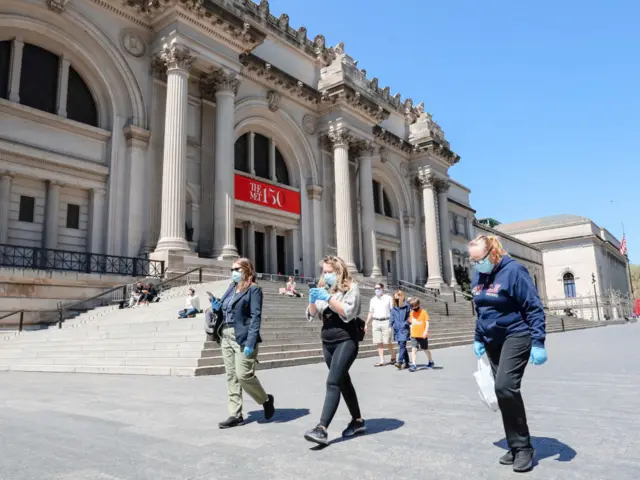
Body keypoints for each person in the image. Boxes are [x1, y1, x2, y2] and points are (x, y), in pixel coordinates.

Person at [469, 235, 547, 473]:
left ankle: (524, 448)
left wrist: (538, 341)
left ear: (493, 253)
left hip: (516, 334)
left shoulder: (514, 271)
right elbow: (481, 309)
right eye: (472, 261)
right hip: (492, 339)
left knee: (505, 386)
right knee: (503, 394)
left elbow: (533, 306)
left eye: (479, 260)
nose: (476, 265)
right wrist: (478, 337)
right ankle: (515, 445)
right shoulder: (479, 275)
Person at [304, 255, 365, 445]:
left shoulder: (351, 288)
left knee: (333, 382)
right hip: (327, 341)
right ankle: (358, 421)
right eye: (324, 272)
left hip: (346, 339)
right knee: (343, 381)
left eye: (330, 272)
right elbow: (312, 314)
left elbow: (347, 312)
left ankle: (321, 428)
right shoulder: (324, 289)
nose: (326, 275)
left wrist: (329, 298)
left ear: (339, 271)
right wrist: (313, 299)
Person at [212, 258, 275, 429]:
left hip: (243, 336)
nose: (233, 272)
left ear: (246, 269)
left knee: (243, 375)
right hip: (225, 334)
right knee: (231, 376)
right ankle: (235, 414)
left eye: (237, 269)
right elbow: (226, 309)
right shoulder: (231, 288)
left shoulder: (253, 290)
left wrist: (251, 341)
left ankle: (266, 399)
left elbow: (255, 316)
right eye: (232, 269)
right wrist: (216, 306)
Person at [365, 283, 396, 366]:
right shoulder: (372, 300)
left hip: (386, 321)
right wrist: (366, 323)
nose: (376, 290)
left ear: (383, 288)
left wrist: (394, 322)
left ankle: (393, 355)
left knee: (388, 341)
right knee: (378, 342)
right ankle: (382, 360)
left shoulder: (388, 298)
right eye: (375, 288)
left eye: (378, 288)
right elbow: (371, 312)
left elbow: (393, 311)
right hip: (376, 322)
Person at [408, 298, 434, 372]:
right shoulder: (411, 313)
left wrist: (425, 331)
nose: (413, 308)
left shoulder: (423, 312)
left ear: (418, 305)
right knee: (414, 349)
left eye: (414, 306)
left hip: (422, 334)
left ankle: (431, 361)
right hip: (414, 334)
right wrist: (411, 332)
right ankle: (414, 365)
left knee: (425, 349)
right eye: (412, 307)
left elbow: (427, 322)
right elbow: (411, 323)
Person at [390, 290, 411, 369]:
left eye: (397, 296)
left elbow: (410, 316)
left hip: (404, 328)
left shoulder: (406, 306)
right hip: (397, 329)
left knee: (402, 345)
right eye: (395, 297)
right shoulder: (394, 307)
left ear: (401, 296)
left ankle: (400, 361)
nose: (396, 298)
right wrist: (390, 325)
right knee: (402, 345)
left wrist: (406, 323)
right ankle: (407, 362)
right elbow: (392, 317)